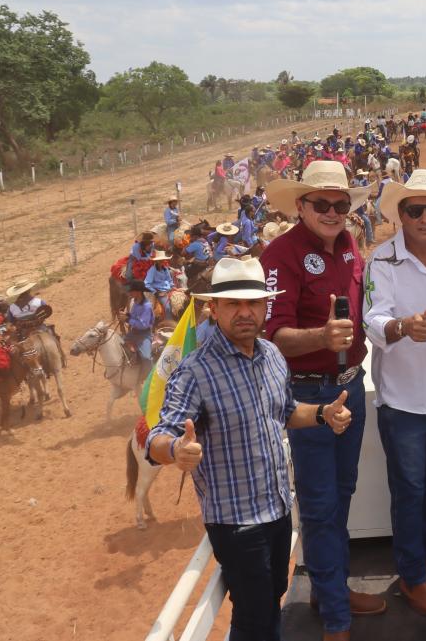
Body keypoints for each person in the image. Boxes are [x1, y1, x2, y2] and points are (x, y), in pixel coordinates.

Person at [145, 257, 354, 641]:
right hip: (236, 521)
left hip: (275, 508)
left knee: (268, 601)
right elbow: (157, 436)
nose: (245, 312)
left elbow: (285, 412)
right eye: (233, 304)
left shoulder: (273, 356)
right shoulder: (196, 371)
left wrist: (323, 413)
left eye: (253, 303)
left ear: (264, 307)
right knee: (257, 617)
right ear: (214, 309)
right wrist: (175, 450)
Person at [261, 161, 384, 639]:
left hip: (350, 384)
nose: (334, 212)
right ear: (301, 205)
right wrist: (321, 335)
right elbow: (273, 337)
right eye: (323, 204)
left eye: (341, 204)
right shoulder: (281, 255)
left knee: (343, 492)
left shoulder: (351, 244)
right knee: (319, 503)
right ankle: (336, 616)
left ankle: (327, 587)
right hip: (309, 392)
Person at [363, 169, 426, 618]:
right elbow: (373, 318)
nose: (425, 218)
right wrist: (402, 327)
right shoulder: (382, 261)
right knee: (409, 489)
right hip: (403, 399)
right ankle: (412, 576)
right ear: (401, 214)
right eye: (415, 210)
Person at [123, 281, 154, 373]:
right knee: (120, 344)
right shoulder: (135, 302)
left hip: (144, 334)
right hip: (133, 333)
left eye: (132, 291)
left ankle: (150, 376)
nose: (130, 293)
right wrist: (127, 316)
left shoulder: (147, 306)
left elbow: (143, 325)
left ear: (138, 292)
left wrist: (128, 320)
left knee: (146, 357)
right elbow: (134, 317)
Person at [144, 251, 176, 318]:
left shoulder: (165, 269)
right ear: (157, 261)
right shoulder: (152, 270)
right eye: (160, 260)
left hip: (169, 290)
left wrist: (172, 286)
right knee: (167, 308)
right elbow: (146, 283)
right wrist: (155, 292)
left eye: (163, 260)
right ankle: (168, 324)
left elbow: (169, 279)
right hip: (160, 292)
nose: (162, 261)